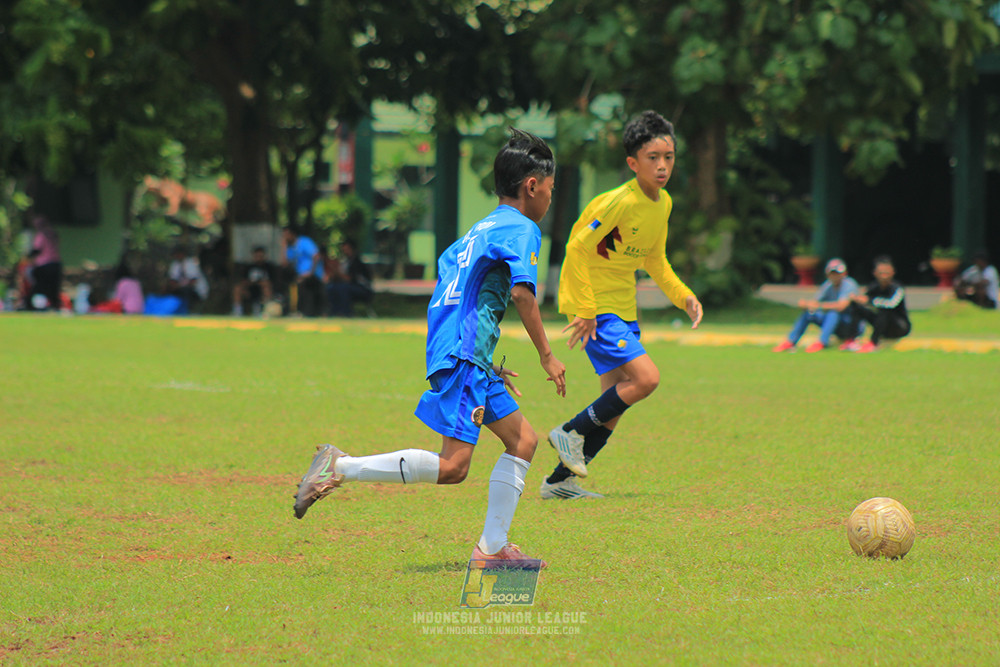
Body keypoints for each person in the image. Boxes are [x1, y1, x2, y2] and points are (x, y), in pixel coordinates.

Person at [293, 129, 567, 566]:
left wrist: (478, 358)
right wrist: (546, 356)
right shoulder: (523, 229)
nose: (550, 200)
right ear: (531, 186)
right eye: (550, 190)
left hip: (463, 353)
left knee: (524, 441)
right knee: (454, 467)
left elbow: (454, 294)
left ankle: (492, 549)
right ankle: (340, 467)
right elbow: (522, 295)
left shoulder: (478, 231)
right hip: (463, 355)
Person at [542, 110, 703, 501]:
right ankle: (570, 431)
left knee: (612, 406)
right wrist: (584, 308)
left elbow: (655, 260)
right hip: (596, 308)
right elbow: (577, 247)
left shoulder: (662, 204)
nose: (662, 165)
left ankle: (558, 483)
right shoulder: (618, 201)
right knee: (646, 379)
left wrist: (683, 295)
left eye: (668, 156)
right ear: (633, 163)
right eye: (653, 157)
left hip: (623, 309)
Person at [772, 258, 863, 353]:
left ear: (844, 273)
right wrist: (806, 304)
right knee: (809, 314)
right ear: (828, 274)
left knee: (833, 313)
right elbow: (815, 303)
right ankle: (791, 341)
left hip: (849, 325)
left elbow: (841, 306)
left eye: (838, 273)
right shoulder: (827, 285)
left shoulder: (849, 285)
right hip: (833, 323)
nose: (835, 276)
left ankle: (822, 342)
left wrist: (818, 305)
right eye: (833, 273)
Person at [846, 256, 911, 352]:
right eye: (881, 272)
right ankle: (852, 340)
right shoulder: (873, 287)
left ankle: (873, 343)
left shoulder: (898, 288)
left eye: (886, 272)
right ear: (875, 273)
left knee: (884, 310)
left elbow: (891, 304)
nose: (884, 275)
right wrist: (857, 299)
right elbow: (864, 299)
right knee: (857, 307)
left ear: (893, 272)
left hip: (899, 327)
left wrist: (870, 301)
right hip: (882, 325)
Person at [282, 226, 324, 317]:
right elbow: (285, 264)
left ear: (293, 234)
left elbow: (316, 256)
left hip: (313, 274)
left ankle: (306, 313)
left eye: (286, 235)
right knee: (289, 283)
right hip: (300, 275)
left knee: (302, 284)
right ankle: (291, 311)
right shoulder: (290, 248)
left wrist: (310, 272)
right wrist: (284, 247)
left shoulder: (305, 242)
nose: (285, 237)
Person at [326, 239, 374, 317]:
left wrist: (336, 271)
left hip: (363, 289)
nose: (345, 252)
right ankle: (334, 312)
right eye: (344, 250)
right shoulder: (346, 262)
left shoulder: (357, 263)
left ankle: (346, 313)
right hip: (350, 286)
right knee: (332, 287)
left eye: (347, 249)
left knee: (343, 288)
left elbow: (349, 279)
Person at [27, 215, 63, 311]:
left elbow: (37, 249)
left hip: (44, 265)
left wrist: (27, 255)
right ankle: (55, 305)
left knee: (39, 286)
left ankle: (30, 305)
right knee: (53, 287)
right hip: (56, 264)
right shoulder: (53, 233)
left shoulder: (41, 235)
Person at [232, 245, 276, 316]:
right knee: (237, 288)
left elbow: (271, 281)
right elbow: (243, 281)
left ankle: (265, 311)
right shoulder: (248, 267)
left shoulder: (269, 267)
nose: (259, 258)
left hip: (262, 290)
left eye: (260, 256)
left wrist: (261, 283)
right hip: (250, 289)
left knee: (266, 287)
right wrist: (252, 283)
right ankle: (237, 311)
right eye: (257, 256)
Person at [166, 246, 209, 313]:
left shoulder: (191, 263)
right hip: (182, 289)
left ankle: (188, 311)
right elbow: (172, 280)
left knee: (186, 291)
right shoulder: (175, 264)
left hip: (197, 291)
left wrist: (179, 286)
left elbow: (193, 282)